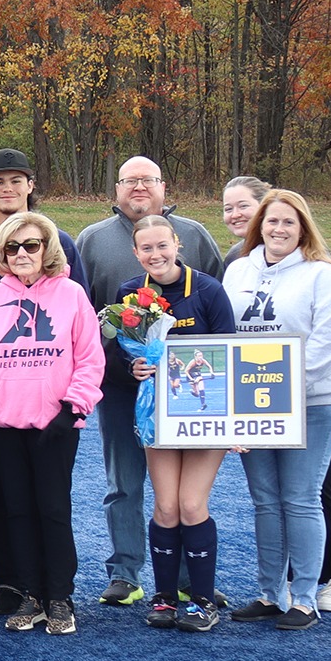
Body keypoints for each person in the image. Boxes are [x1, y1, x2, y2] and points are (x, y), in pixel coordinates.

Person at [0, 212, 104, 635]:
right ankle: (30, 592)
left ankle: (60, 595)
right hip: (3, 422)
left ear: (47, 248)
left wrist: (74, 409)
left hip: (54, 422)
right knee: (16, 510)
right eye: (13, 247)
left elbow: (89, 359)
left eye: (31, 245)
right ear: (2, 254)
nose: (23, 254)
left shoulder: (70, 295)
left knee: (51, 508)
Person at [75, 156, 222, 606]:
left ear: (163, 185)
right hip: (123, 386)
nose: (139, 187)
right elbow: (85, 318)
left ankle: (182, 577)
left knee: (179, 494)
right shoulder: (92, 239)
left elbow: (217, 315)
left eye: (148, 180)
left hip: (187, 390)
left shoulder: (197, 235)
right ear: (116, 188)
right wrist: (121, 367)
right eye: (129, 181)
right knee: (125, 482)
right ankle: (125, 571)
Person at [221, 189, 331, 631]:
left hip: (311, 403)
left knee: (300, 499)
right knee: (264, 502)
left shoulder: (322, 275)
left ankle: (307, 598)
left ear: (303, 228)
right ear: (259, 225)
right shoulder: (237, 270)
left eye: (288, 223)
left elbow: (328, 346)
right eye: (271, 221)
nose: (278, 229)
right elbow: (224, 334)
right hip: (251, 403)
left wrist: (282, 391)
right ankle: (271, 593)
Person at [117, 216, 235, 632]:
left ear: (177, 244)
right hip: (159, 415)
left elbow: (230, 355)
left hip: (205, 414)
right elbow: (126, 351)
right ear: (135, 252)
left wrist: (234, 424)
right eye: (146, 249)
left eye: (162, 246)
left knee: (190, 505)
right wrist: (134, 367)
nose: (156, 255)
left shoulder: (207, 290)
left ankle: (203, 601)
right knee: (166, 508)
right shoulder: (130, 294)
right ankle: (165, 597)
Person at [220, 176, 267, 264]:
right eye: (228, 209)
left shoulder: (285, 252)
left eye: (243, 206)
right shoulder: (233, 257)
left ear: (264, 206)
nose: (235, 215)